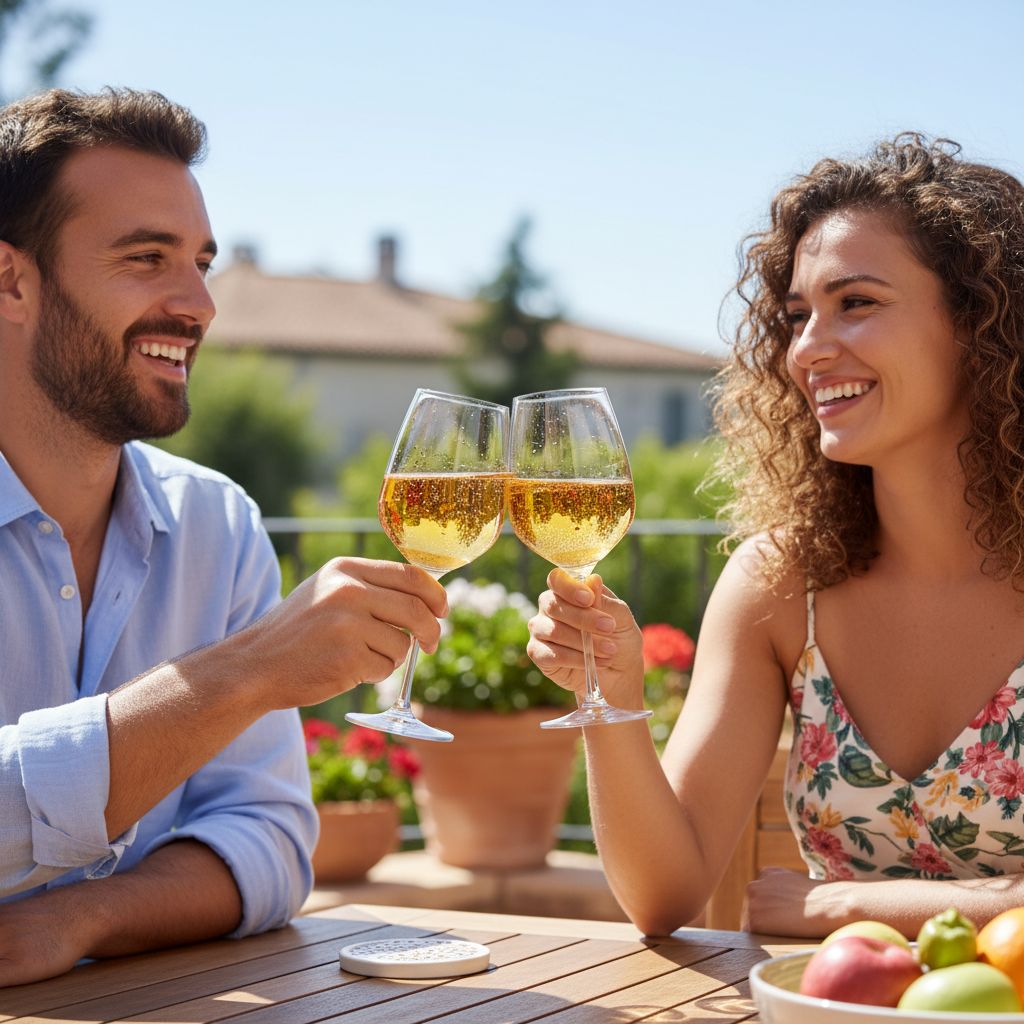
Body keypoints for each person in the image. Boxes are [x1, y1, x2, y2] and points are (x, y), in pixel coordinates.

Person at [0, 87, 446, 986]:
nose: (199, 304)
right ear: (12, 281)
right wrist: (245, 673)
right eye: (147, 258)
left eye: (199, 263)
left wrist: (76, 918)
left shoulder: (219, 523)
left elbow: (268, 839)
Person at [527, 132, 1024, 939]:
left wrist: (850, 904)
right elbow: (665, 894)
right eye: (797, 317)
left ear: (982, 323)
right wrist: (612, 699)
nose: (807, 351)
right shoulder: (782, 584)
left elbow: (827, 906)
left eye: (855, 302)